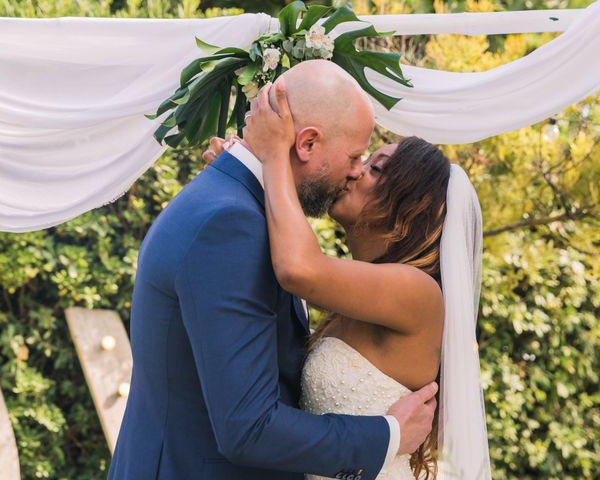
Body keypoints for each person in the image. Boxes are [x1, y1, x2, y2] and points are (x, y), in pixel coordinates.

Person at [108, 60, 438, 480]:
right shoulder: (232, 225)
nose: (356, 171)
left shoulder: (239, 208)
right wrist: (387, 435)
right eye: (357, 156)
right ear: (307, 144)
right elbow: (249, 427)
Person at [205, 71, 491, 479]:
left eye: (374, 168)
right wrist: (246, 173)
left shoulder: (418, 294)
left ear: (406, 209)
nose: (353, 171)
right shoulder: (354, 290)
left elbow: (298, 268)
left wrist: (272, 155)